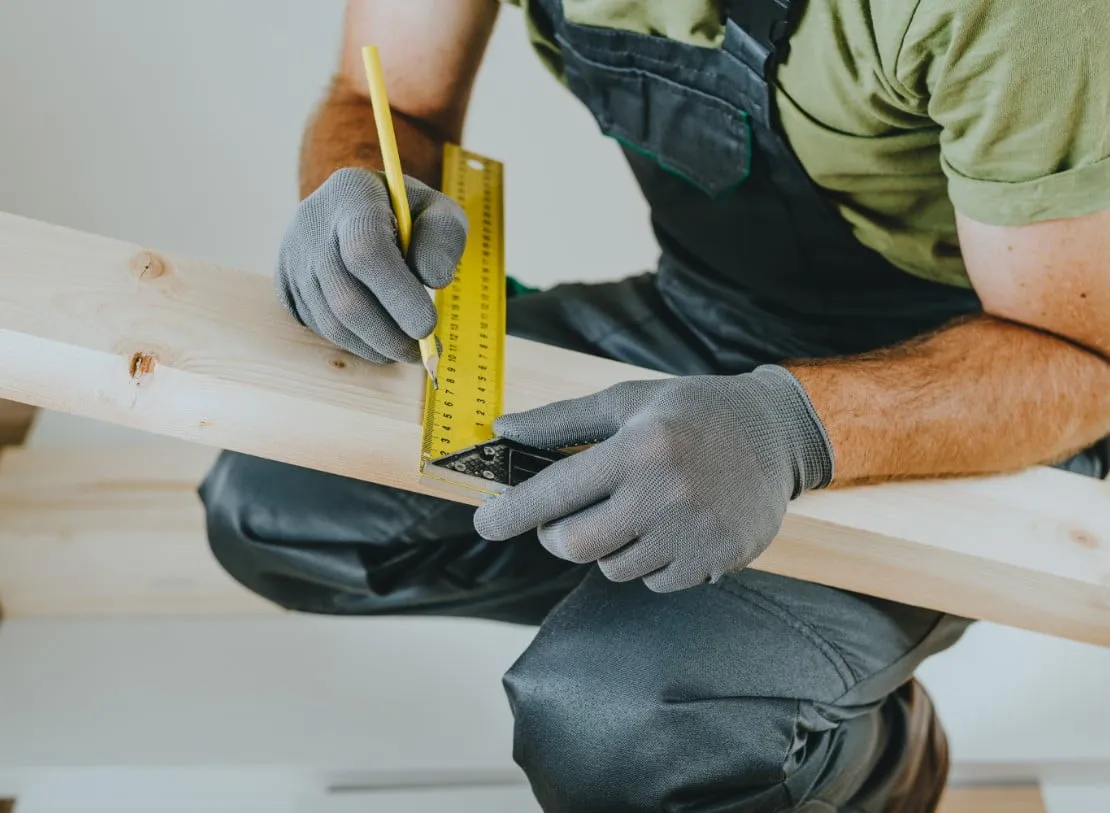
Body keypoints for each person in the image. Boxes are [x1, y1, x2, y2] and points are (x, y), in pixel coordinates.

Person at [198, 0, 1110, 809]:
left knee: (621, 728)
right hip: (707, 313)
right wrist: (353, 192)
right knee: (277, 507)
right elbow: (382, 106)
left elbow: (1083, 359)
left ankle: (878, 776)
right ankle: (793, 694)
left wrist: (787, 429)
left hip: (970, 384)